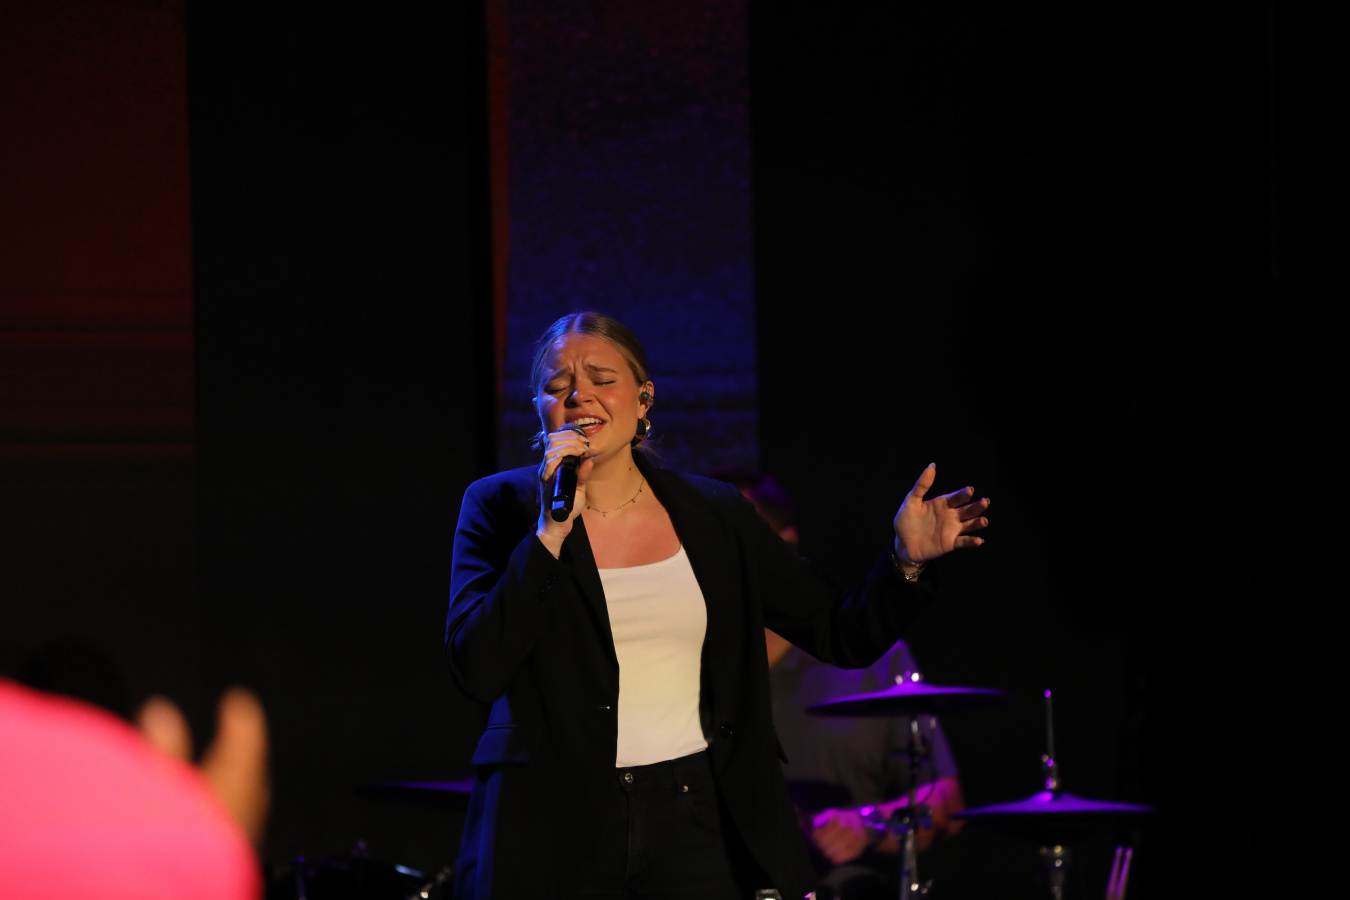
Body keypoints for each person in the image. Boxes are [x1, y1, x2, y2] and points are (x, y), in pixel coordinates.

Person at [444, 312, 990, 899]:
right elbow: (479, 667)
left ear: (644, 398)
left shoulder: (715, 513)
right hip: (554, 820)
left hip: (696, 816)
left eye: (602, 379)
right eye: (557, 386)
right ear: (539, 408)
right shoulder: (499, 507)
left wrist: (906, 561)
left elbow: (839, 630)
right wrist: (548, 535)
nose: (579, 395)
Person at [709, 470, 963, 900]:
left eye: (735, 542)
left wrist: (867, 825)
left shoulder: (873, 661)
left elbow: (947, 804)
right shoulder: (685, 660)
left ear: (783, 543)